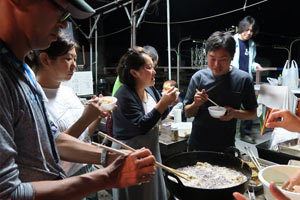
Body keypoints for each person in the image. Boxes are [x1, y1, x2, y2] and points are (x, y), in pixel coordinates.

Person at [0, 0, 156, 199]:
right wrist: (106, 177)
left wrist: (109, 156)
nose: (64, 24)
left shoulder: (23, 72)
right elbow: (7, 193)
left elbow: (53, 139)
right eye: (60, 11)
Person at [26, 32, 110, 200]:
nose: (74, 65)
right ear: (45, 59)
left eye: (75, 59)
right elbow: (53, 148)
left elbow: (85, 134)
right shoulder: (33, 98)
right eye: (67, 59)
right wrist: (86, 117)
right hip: (62, 181)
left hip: (86, 170)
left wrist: (98, 115)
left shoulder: (68, 91)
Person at [112, 47, 177, 200]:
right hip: (131, 153)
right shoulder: (123, 94)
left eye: (153, 67)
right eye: (148, 68)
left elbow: (159, 115)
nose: (154, 71)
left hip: (151, 149)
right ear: (134, 73)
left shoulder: (150, 89)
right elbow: (141, 125)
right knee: (136, 194)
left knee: (152, 192)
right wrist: (163, 103)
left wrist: (169, 104)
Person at [184, 31, 258, 152]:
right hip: (197, 144)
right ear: (206, 54)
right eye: (212, 58)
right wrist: (196, 104)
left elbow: (253, 113)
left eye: (223, 59)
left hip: (226, 145)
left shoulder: (243, 79)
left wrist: (234, 113)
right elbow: (188, 113)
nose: (216, 65)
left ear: (232, 57)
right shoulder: (198, 77)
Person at [231, 16, 262, 144]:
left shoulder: (252, 44)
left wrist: (256, 66)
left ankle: (245, 134)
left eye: (251, 31)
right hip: (233, 78)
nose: (249, 33)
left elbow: (251, 62)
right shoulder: (231, 41)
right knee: (231, 107)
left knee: (249, 107)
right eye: (247, 29)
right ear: (241, 28)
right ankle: (229, 133)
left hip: (247, 79)